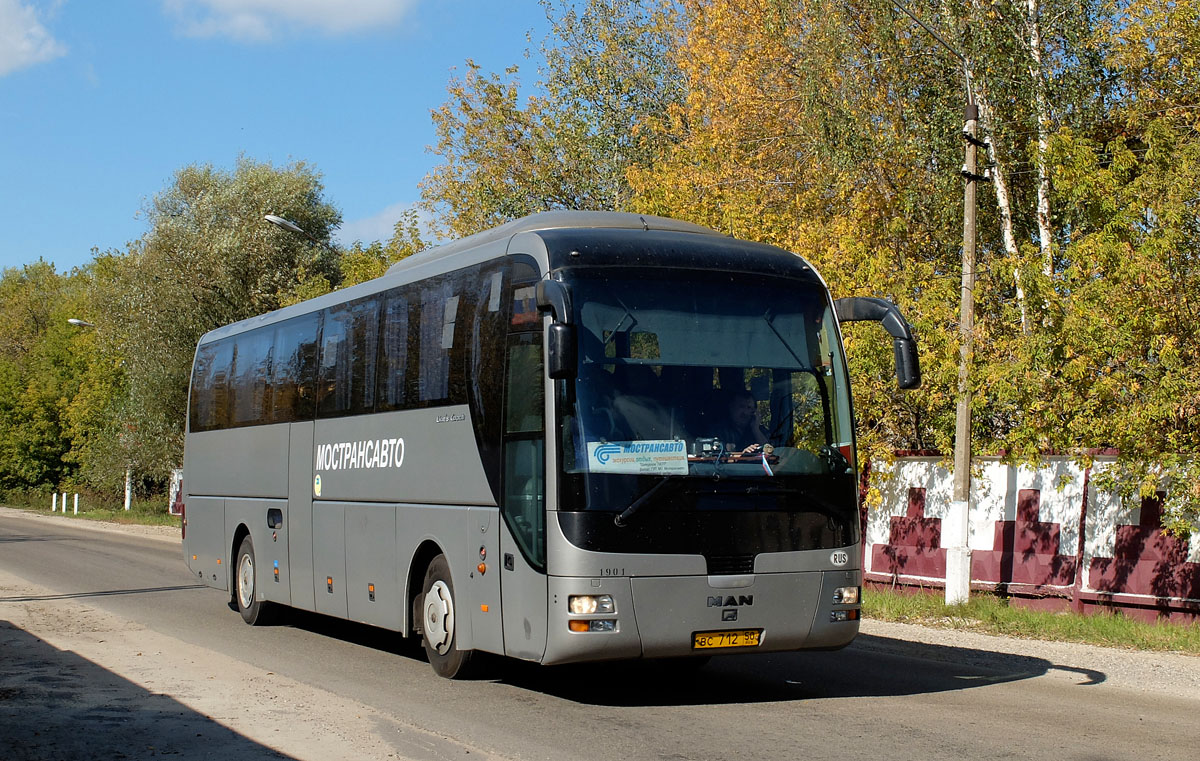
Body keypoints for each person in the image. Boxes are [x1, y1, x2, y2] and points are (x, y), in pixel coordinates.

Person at [715, 389, 768, 455]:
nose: (745, 412)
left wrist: (756, 430)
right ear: (731, 407)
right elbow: (719, 457)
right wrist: (742, 455)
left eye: (749, 408)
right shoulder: (719, 431)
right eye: (741, 407)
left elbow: (769, 452)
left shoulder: (760, 431)